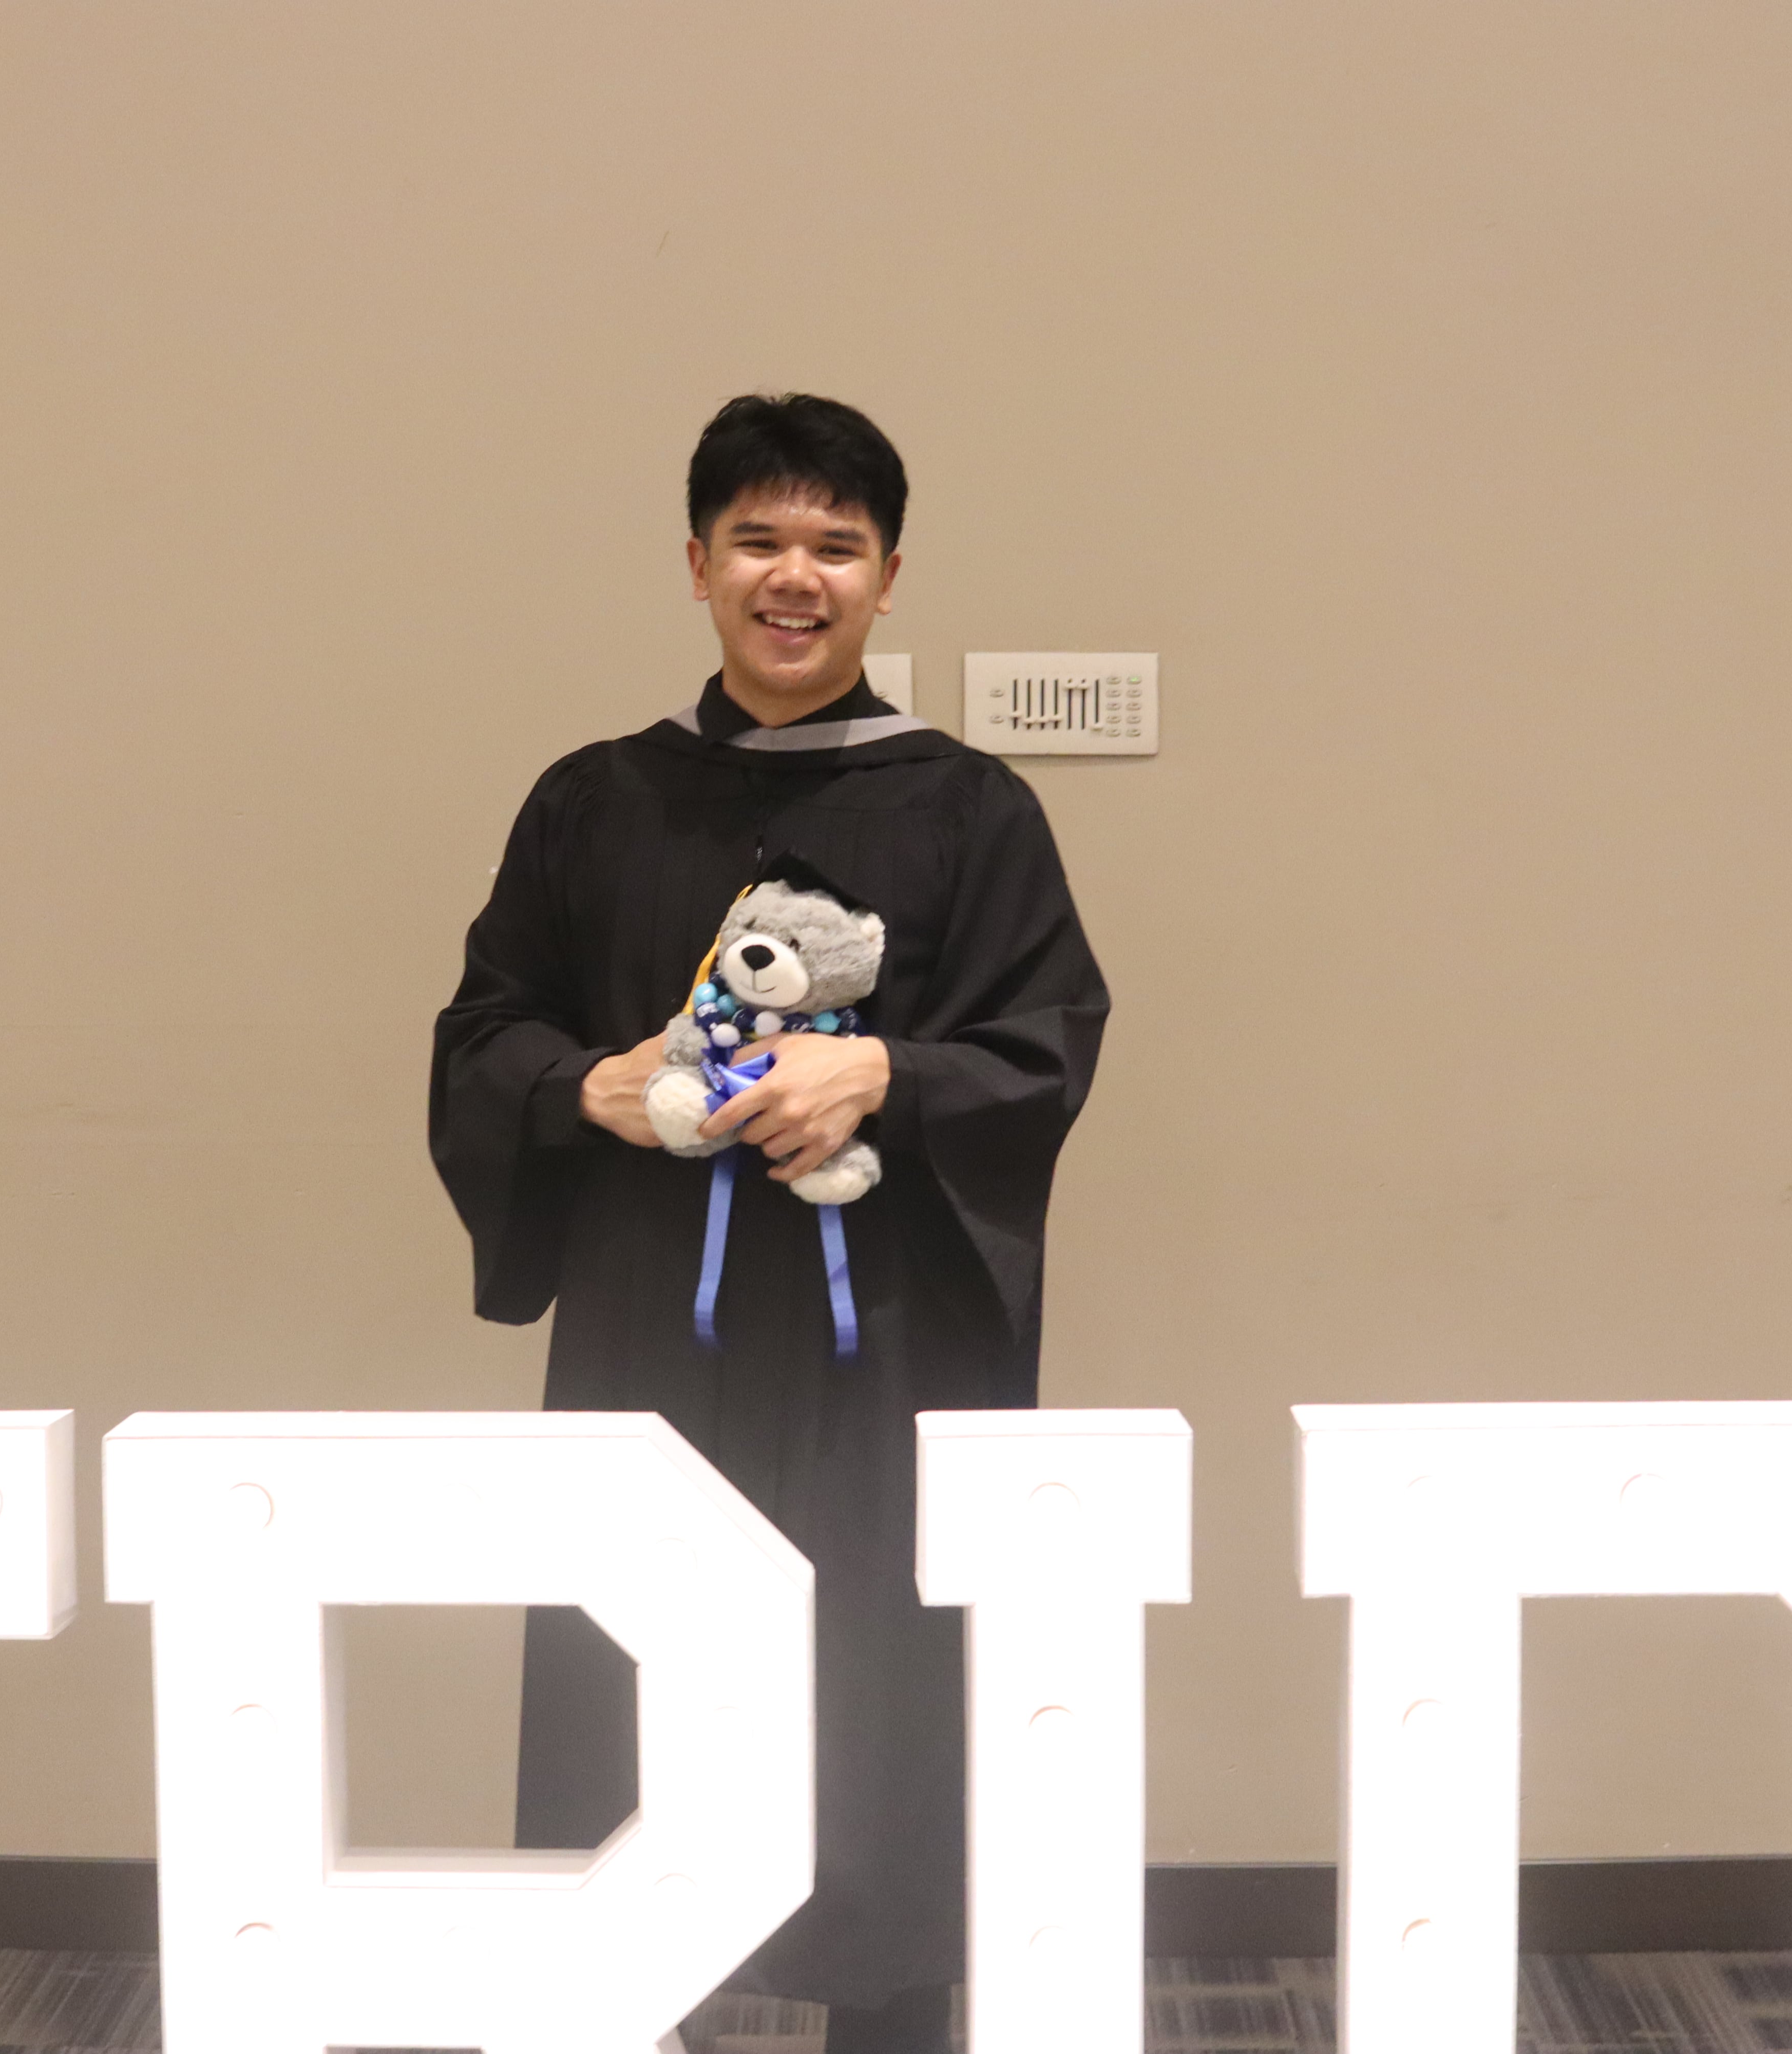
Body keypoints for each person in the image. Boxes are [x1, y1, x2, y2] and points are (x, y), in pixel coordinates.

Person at [428, 393, 1108, 2052]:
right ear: (697, 564)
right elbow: (484, 1035)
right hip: (651, 1325)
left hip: (886, 1349)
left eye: (835, 546)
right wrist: (587, 1087)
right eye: (758, 541)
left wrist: (885, 1071)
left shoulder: (970, 809)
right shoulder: (593, 800)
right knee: (631, 1704)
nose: (794, 577)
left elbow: (1045, 1044)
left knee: (882, 1696)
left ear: (887, 579)